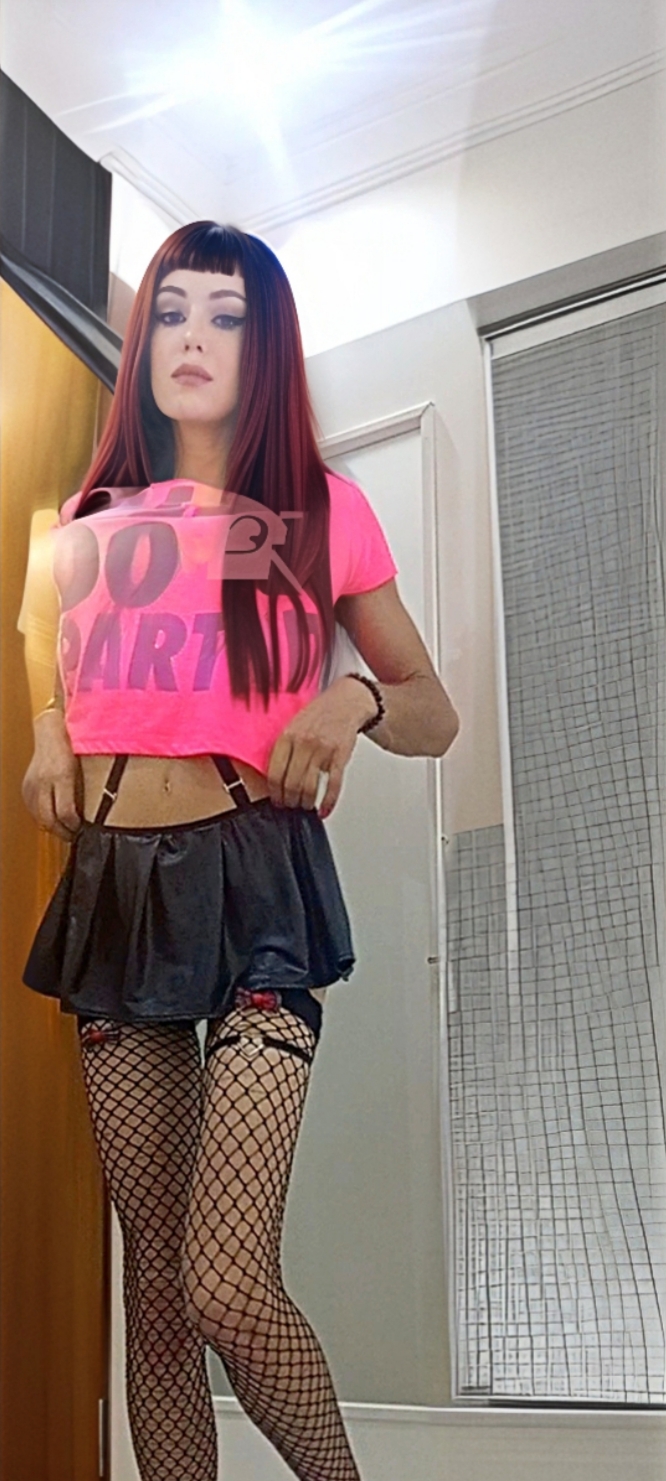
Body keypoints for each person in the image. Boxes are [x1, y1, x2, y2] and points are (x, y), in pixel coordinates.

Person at [20, 221, 460, 1481]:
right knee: (156, 1297)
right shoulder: (82, 519)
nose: (192, 338)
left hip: (257, 881)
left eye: (227, 316)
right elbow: (40, 635)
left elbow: (431, 708)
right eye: (170, 312)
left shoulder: (322, 512)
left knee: (223, 1279)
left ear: (266, 348)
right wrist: (48, 729)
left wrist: (353, 699)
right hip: (115, 885)